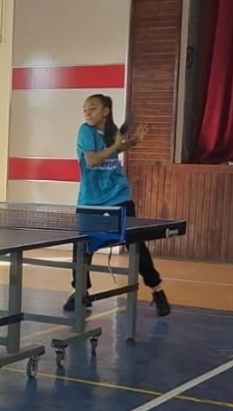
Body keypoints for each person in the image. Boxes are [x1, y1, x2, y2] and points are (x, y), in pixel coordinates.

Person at [69, 93, 171, 316]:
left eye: (93, 108)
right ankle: (80, 292)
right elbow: (92, 160)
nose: (87, 112)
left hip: (118, 195)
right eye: (85, 109)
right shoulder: (85, 131)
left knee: (135, 243)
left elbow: (114, 150)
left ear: (105, 111)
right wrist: (116, 145)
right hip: (91, 199)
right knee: (82, 246)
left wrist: (130, 143)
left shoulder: (111, 130)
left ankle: (157, 289)